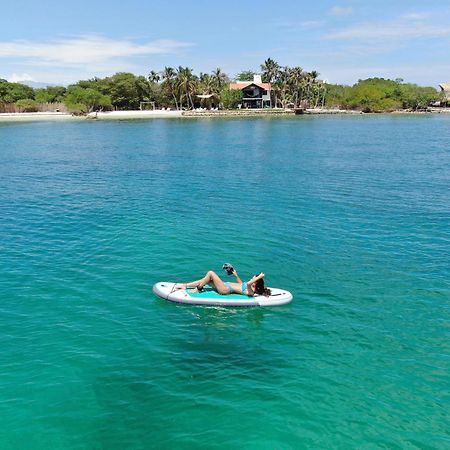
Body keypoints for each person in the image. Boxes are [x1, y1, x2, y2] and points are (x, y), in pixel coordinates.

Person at [175, 269, 271, 296]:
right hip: (225, 285)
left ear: (256, 282)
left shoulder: (251, 292)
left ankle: (198, 289)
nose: (251, 278)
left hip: (225, 289)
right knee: (206, 280)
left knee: (211, 273)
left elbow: (249, 284)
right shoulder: (248, 286)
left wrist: (260, 276)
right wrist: (235, 274)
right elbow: (242, 284)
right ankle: (185, 285)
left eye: (254, 278)